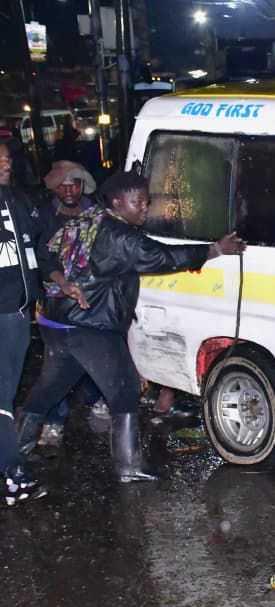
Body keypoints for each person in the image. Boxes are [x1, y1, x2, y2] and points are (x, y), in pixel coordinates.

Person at [14, 171, 244, 483]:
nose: (144, 209)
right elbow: (160, 256)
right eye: (138, 203)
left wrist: (62, 282)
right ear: (118, 202)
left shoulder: (86, 220)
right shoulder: (118, 234)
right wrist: (215, 250)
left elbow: (45, 254)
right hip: (89, 326)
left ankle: (16, 453)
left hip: (58, 323)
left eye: (147, 203)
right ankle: (129, 465)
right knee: (124, 388)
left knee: (49, 389)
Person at [37, 160, 107, 447]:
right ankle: (54, 420)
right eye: (63, 184)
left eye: (74, 184)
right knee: (57, 362)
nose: (69, 190)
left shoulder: (96, 214)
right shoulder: (45, 216)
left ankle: (96, 402)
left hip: (90, 298)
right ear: (55, 187)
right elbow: (42, 259)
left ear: (83, 186)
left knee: (90, 355)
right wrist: (63, 284)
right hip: (55, 300)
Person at [0, 138, 48, 506]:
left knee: (7, 393)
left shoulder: (16, 200)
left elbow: (36, 249)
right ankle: (13, 474)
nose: (5, 164)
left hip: (17, 315)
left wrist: (44, 290)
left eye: (5, 159)